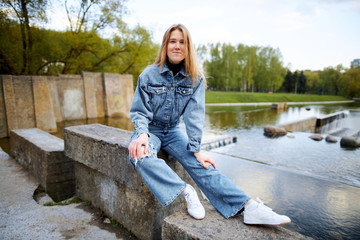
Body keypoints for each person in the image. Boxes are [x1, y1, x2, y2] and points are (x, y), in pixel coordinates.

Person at [128, 23, 291, 225]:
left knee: (202, 165)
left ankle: (249, 207)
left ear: (188, 47)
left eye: (182, 42)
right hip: (149, 130)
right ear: (165, 46)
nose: (177, 46)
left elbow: (194, 117)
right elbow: (139, 111)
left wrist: (196, 149)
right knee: (139, 155)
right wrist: (142, 134)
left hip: (173, 131)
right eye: (172, 41)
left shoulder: (194, 79)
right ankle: (185, 191)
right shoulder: (148, 75)